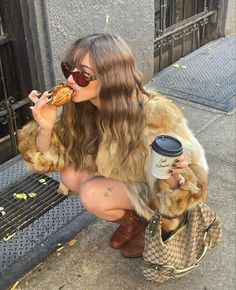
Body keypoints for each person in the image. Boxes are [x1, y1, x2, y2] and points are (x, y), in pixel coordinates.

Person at [18, 33, 208, 258]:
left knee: (92, 194)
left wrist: (173, 180)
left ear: (111, 78)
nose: (70, 80)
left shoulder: (154, 116)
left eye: (83, 76)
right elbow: (49, 157)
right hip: (123, 181)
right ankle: (135, 222)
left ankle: (152, 225)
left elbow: (192, 179)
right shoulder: (80, 110)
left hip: (154, 188)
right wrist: (46, 127)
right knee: (70, 175)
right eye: (69, 70)